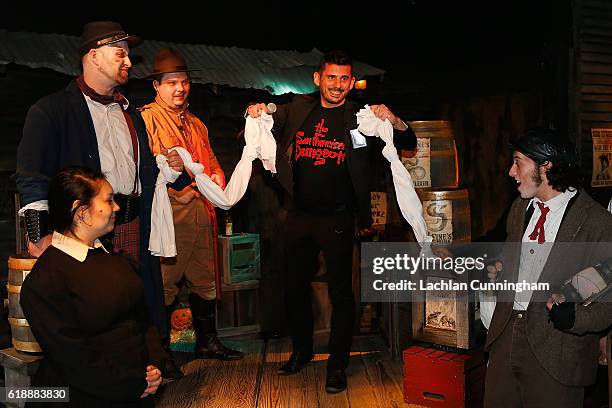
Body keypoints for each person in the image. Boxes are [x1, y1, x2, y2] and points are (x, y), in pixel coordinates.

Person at [13, 21, 189, 379]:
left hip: (133, 224)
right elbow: (31, 178)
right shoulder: (50, 111)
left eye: (127, 54)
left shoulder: (129, 113)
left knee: (137, 301)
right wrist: (40, 235)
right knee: (94, 313)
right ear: (93, 56)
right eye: (120, 53)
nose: (128, 61)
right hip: (84, 232)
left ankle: (150, 362)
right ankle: (103, 382)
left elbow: (136, 172)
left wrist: (169, 168)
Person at [247, 50, 417, 393]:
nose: (337, 85)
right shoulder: (297, 107)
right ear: (318, 78)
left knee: (341, 294)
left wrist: (395, 120)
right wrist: (256, 110)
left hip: (338, 217)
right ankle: (302, 351)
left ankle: (337, 365)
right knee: (294, 287)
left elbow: (408, 142)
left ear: (351, 82)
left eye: (344, 79)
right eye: (331, 77)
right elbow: (266, 119)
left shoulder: (361, 116)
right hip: (298, 214)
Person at [484, 128, 612, 407]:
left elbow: (607, 301)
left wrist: (575, 318)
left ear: (546, 165)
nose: (511, 172)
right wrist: (499, 272)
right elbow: (510, 261)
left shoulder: (597, 223)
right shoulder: (520, 209)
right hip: (506, 338)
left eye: (518, 162)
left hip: (558, 350)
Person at [21, 167, 163, 407]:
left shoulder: (112, 257)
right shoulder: (45, 280)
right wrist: (131, 385)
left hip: (137, 386)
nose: (117, 207)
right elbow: (73, 357)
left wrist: (154, 364)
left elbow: (143, 319)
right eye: (108, 200)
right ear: (82, 211)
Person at [139, 48, 243, 361]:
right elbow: (151, 166)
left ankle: (207, 342)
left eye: (183, 82)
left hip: (201, 213)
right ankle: (161, 353)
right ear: (157, 86)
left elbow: (209, 158)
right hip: (172, 215)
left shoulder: (197, 124)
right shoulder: (148, 120)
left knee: (206, 280)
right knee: (165, 283)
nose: (180, 88)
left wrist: (217, 176)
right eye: (171, 83)